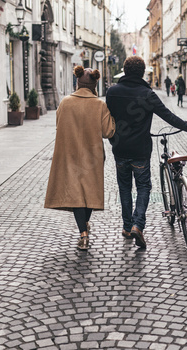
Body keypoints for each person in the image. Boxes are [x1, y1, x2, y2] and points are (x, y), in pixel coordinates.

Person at [106, 56, 187, 249]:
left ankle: (127, 226)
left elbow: (107, 118)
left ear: (124, 70)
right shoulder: (147, 94)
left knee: (124, 188)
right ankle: (138, 225)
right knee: (144, 187)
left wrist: (113, 138)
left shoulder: (112, 92)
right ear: (142, 72)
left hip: (120, 148)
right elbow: (168, 115)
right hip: (140, 150)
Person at [45, 66, 115, 250]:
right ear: (94, 84)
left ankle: (83, 233)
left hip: (70, 155)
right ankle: (84, 228)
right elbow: (108, 132)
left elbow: (59, 124)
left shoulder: (66, 102)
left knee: (76, 193)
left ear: (78, 82)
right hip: (93, 156)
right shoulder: (99, 104)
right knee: (89, 193)